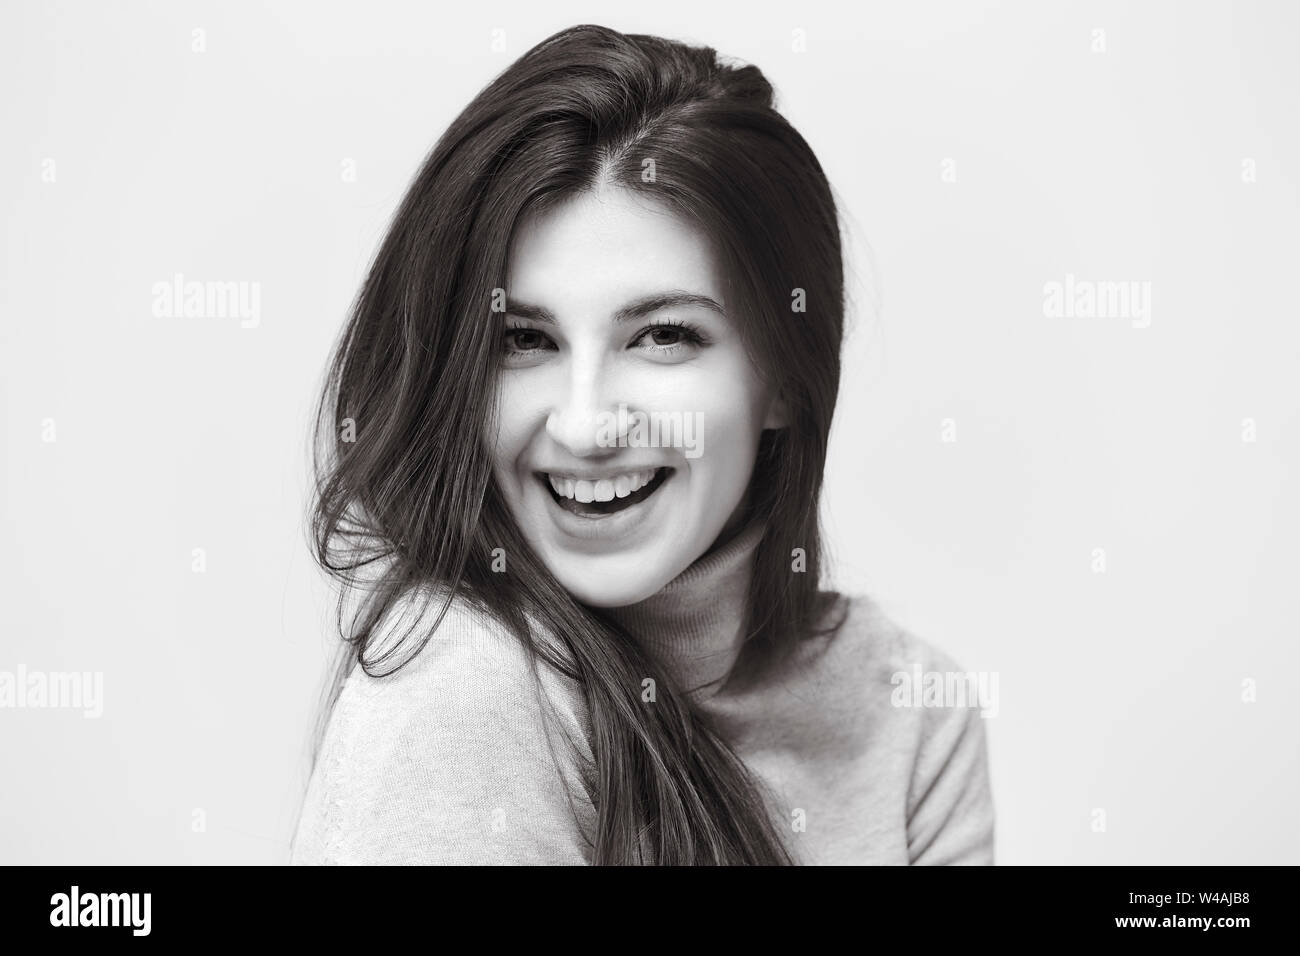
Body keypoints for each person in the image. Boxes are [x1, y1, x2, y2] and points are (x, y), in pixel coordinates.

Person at [290, 23, 994, 865]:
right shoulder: (461, 682)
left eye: (662, 336)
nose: (585, 425)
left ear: (781, 377)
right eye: (524, 340)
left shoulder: (909, 710)